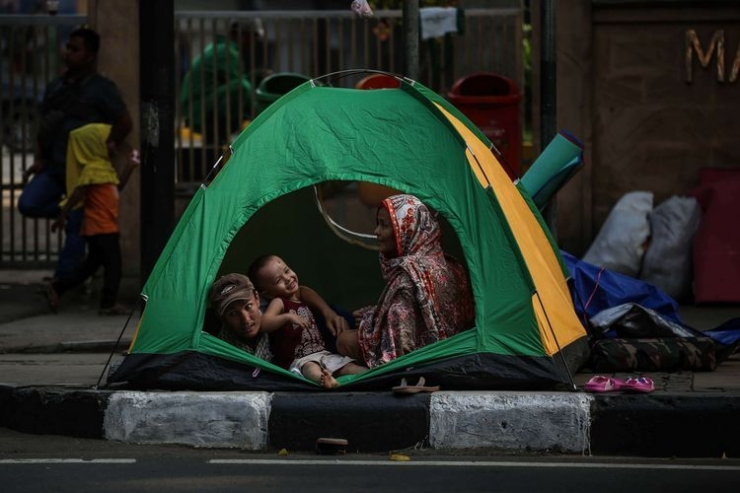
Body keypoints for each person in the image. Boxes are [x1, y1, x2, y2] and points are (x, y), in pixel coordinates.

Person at [18, 26, 133, 282]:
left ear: (90, 55)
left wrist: (110, 144)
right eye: (67, 48)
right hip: (56, 167)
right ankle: (66, 211)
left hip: (83, 175)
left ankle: (60, 285)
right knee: (29, 203)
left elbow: (124, 122)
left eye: (74, 49)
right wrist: (39, 158)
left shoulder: (102, 88)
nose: (67, 53)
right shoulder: (56, 87)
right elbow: (44, 125)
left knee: (75, 230)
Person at [336, 194, 475, 368]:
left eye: (384, 225)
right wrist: (374, 314)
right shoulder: (452, 264)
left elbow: (398, 346)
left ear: (405, 230)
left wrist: (370, 323)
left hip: (425, 357)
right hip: (457, 349)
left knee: (344, 340)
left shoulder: (407, 279)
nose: (376, 231)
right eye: (377, 223)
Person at [45, 124, 138, 315]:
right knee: (114, 266)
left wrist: (130, 166)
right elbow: (78, 193)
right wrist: (63, 215)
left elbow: (116, 189)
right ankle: (108, 304)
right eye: (109, 142)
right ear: (95, 145)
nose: (114, 146)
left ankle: (58, 286)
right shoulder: (93, 169)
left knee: (91, 265)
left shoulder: (104, 167)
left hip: (104, 225)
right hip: (100, 227)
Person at [248, 254, 367, 389]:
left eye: (287, 271)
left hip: (322, 353)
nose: (288, 279)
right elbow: (265, 323)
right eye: (278, 280)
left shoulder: (300, 295)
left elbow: (306, 292)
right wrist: (287, 317)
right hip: (300, 359)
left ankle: (374, 374)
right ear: (268, 293)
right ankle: (323, 380)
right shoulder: (279, 302)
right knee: (311, 369)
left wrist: (328, 312)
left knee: (347, 366)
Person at [179, 20, 268, 148]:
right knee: (242, 88)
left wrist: (255, 76)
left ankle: (218, 139)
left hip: (198, 107)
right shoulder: (227, 53)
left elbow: (229, 82)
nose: (254, 43)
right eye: (253, 37)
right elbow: (241, 89)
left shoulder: (220, 48)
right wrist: (263, 116)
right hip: (200, 110)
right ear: (245, 35)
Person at [209, 273, 272, 361]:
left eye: (248, 306)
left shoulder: (278, 323)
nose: (245, 319)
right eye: (233, 314)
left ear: (257, 298)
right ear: (222, 319)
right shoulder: (220, 352)